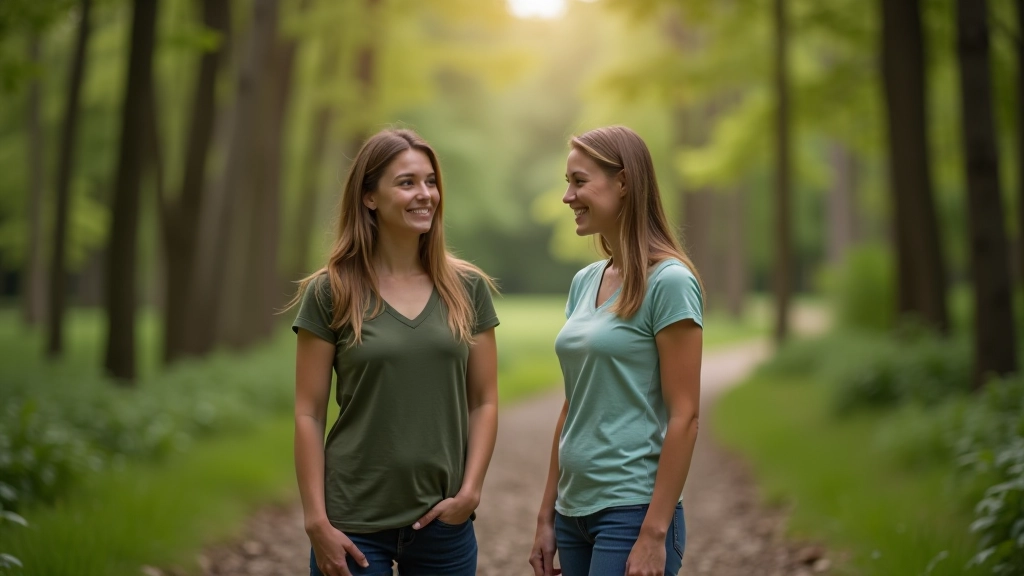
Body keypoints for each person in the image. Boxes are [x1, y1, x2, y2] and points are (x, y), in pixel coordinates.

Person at [290, 128, 500, 576]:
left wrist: (470, 493)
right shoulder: (332, 291)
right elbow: (308, 412)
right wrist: (315, 522)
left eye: (430, 181)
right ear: (370, 197)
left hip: (444, 524)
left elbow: (484, 400)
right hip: (353, 523)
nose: (425, 194)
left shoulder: (468, 289)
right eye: (407, 183)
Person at [529, 126, 704, 576]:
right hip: (573, 512)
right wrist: (546, 515)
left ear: (623, 183)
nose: (568, 196)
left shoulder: (670, 282)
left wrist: (653, 533)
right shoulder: (585, 281)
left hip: (631, 510)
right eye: (567, 182)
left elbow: (685, 416)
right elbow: (574, 403)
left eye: (579, 181)